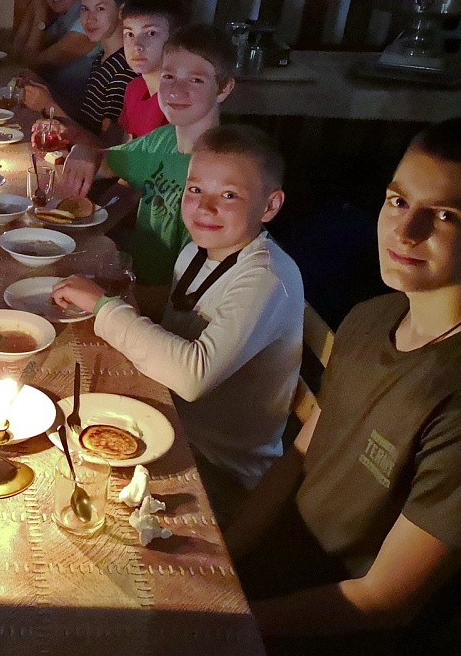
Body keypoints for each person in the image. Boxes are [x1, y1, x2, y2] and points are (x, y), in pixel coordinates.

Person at [225, 117, 461, 656]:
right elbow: (304, 451)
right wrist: (229, 548)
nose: (405, 230)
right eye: (397, 201)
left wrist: (232, 621)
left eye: (445, 216)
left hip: (332, 655)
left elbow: (385, 600)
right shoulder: (375, 316)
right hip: (268, 576)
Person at [52, 125, 303, 517]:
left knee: (68, 487)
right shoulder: (197, 252)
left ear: (269, 206)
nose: (204, 207)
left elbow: (191, 376)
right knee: (58, 415)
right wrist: (106, 292)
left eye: (229, 195)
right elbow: (172, 327)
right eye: (195, 189)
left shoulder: (266, 278)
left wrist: (103, 306)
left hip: (217, 469)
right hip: (170, 421)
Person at [60, 24, 237, 287]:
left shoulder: (225, 170)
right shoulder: (161, 141)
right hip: (136, 281)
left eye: (195, 80)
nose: (175, 91)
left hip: (171, 301)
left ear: (223, 89)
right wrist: (84, 151)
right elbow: (105, 163)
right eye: (168, 76)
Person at [22, 0, 133, 136]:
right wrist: (44, 89)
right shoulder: (102, 59)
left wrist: (49, 106)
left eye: (100, 9)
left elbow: (105, 146)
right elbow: (86, 122)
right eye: (85, 9)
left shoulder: (124, 71)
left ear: (121, 12)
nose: (89, 19)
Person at [117, 0, 187, 139]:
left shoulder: (178, 100)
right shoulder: (134, 89)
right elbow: (124, 148)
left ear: (176, 37)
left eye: (151, 33)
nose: (137, 45)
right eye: (129, 34)